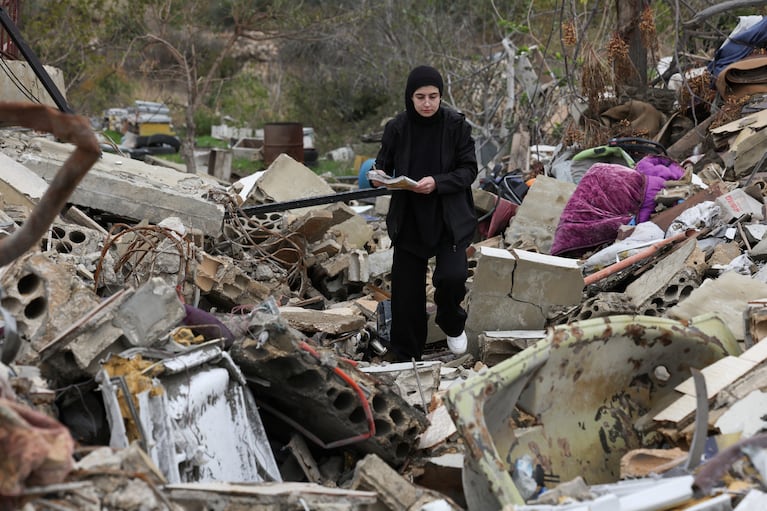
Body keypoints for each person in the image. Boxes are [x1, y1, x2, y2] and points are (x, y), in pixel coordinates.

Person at [372, 65, 478, 361]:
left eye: (433, 96)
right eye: (421, 97)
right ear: (410, 97)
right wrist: (379, 176)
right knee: (407, 292)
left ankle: (451, 321)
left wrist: (438, 182)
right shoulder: (397, 127)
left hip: (449, 217)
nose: (427, 103)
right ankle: (406, 353)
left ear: (440, 96)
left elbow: (469, 170)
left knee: (453, 277)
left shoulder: (457, 126)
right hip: (409, 218)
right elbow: (382, 165)